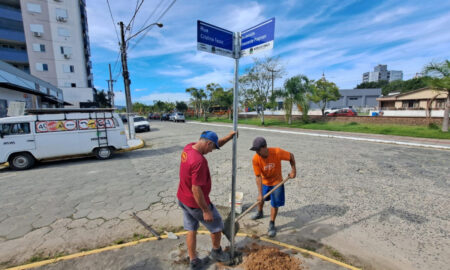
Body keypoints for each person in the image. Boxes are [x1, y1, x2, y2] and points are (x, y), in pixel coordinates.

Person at [177, 130, 236, 270]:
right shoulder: (199, 161)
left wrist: (228, 137)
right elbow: (196, 189)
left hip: (183, 199)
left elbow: (215, 142)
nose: (211, 151)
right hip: (196, 203)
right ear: (208, 143)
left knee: (191, 229)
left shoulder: (189, 147)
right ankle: (216, 252)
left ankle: (194, 261)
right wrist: (206, 210)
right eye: (212, 148)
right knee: (217, 226)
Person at [249, 137, 296, 237]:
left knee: (275, 203)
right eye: (255, 150)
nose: (256, 152)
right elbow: (258, 177)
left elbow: (291, 156)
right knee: (260, 199)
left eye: (258, 149)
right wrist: (260, 194)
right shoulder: (256, 159)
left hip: (277, 182)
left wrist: (293, 170)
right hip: (265, 182)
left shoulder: (277, 152)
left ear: (265, 147)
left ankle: (271, 223)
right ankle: (259, 212)